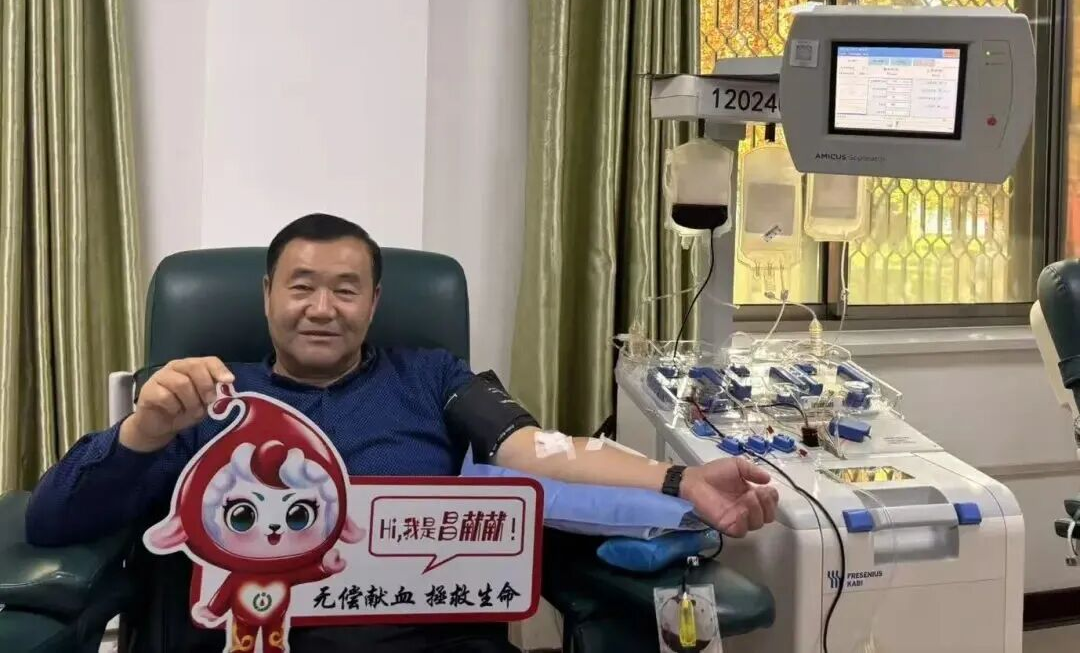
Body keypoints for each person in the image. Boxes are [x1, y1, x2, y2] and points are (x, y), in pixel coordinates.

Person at [26, 213, 778, 652]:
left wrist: (682, 480)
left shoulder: (432, 375)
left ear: (375, 301)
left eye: (345, 289)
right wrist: (143, 430)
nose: (322, 308)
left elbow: (533, 449)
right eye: (301, 287)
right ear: (266, 296)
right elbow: (53, 519)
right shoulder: (209, 395)